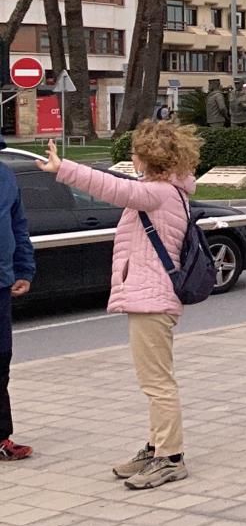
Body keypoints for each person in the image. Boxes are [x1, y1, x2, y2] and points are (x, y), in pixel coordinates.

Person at [42, 123, 200, 489]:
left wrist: (63, 168)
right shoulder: (168, 191)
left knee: (157, 383)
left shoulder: (157, 193)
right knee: (155, 381)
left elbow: (111, 187)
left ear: (148, 158)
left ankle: (170, 458)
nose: (131, 158)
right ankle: (156, 445)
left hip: (152, 300)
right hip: (153, 298)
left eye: (135, 152)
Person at [0, 141, 34, 462]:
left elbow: (18, 226)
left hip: (1, 283)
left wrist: (24, 267)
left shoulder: (6, 176)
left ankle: (1, 437)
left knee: (1, 359)